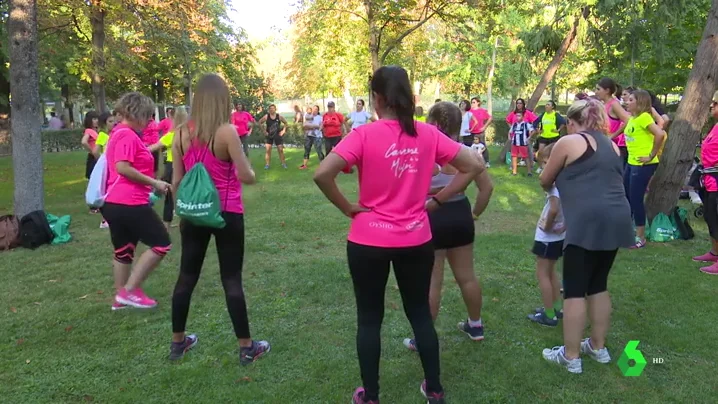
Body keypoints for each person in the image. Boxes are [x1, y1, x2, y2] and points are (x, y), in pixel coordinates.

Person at [313, 65, 481, 404]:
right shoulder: (427, 134)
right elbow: (474, 165)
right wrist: (437, 200)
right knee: (419, 312)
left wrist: (348, 208)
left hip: (367, 239)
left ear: (376, 99)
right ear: (409, 98)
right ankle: (434, 388)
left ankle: (371, 395)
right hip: (415, 239)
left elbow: (322, 174)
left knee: (369, 318)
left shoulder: (363, 135)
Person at [169, 73, 269, 364]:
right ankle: (246, 346)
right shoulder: (227, 132)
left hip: (194, 213)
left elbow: (176, 180)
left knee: (186, 277)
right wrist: (250, 171)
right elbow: (246, 175)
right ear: (222, 100)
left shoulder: (179, 133)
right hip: (226, 212)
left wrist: (182, 212)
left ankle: (178, 343)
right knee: (231, 279)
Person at [538, 99, 634, 374]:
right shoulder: (612, 145)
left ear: (571, 121)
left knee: (575, 288)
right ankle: (597, 346)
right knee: (599, 284)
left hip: (587, 219)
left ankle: (570, 356)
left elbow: (545, 179)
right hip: (618, 216)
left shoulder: (568, 142)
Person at [402, 101, 492, 353]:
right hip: (460, 214)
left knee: (432, 282)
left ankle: (423, 339)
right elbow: (487, 188)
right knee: (467, 276)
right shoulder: (468, 153)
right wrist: (475, 213)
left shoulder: (422, 151)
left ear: (432, 123)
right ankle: (475, 325)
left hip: (431, 217)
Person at [102, 92, 172, 310]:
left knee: (123, 250)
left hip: (115, 203)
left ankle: (120, 300)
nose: (149, 120)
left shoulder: (118, 133)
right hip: (128, 202)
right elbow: (123, 167)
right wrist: (154, 182)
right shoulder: (127, 135)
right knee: (161, 243)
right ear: (136, 112)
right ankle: (129, 291)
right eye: (147, 115)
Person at [528, 143, 565, 327]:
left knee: (542, 274)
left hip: (548, 237)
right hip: (559, 237)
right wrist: (565, 225)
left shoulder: (552, 185)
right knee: (552, 272)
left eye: (544, 162)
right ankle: (556, 308)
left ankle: (549, 315)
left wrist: (548, 226)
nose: (542, 166)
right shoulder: (568, 181)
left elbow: (553, 209)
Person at [623, 90, 666, 248]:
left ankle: (640, 237)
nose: (626, 102)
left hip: (643, 164)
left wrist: (651, 155)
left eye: (630, 100)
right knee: (627, 196)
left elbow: (659, 134)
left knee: (635, 199)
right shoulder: (633, 118)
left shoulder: (645, 118)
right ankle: (627, 232)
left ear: (639, 102)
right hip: (631, 162)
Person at [150, 106, 188, 230]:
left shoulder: (172, 135)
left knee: (170, 196)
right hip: (187, 167)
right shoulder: (190, 135)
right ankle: (184, 221)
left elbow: (153, 147)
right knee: (184, 194)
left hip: (173, 167)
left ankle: (167, 224)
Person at [693, 90, 718, 275]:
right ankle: (714, 252)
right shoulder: (715, 126)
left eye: (715, 104)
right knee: (710, 217)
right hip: (709, 181)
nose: (711, 106)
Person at [596, 79, 630, 169]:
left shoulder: (614, 104)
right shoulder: (603, 104)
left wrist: (613, 135)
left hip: (615, 147)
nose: (596, 92)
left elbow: (628, 120)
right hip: (605, 144)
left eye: (598, 89)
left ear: (607, 91)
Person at [95, 111, 116, 229]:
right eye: (110, 121)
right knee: (106, 192)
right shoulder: (103, 136)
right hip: (107, 168)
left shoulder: (116, 134)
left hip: (114, 167)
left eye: (114, 121)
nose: (113, 123)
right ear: (104, 123)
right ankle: (104, 220)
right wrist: (102, 162)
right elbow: (95, 151)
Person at [258, 104, 288, 169]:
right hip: (269, 135)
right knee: (268, 150)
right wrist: (264, 131)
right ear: (269, 110)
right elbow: (259, 122)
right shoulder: (266, 116)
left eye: (273, 108)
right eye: (270, 108)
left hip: (277, 135)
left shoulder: (279, 116)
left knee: (280, 150)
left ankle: (283, 164)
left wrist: (283, 131)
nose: (272, 109)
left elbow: (286, 123)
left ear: (275, 109)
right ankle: (267, 165)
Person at [509, 111, 534, 176]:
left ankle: (529, 172)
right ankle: (514, 172)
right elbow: (510, 132)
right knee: (514, 157)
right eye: (516, 116)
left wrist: (529, 138)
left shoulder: (526, 124)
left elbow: (532, 130)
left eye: (519, 116)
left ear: (523, 117)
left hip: (523, 143)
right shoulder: (514, 124)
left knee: (525, 157)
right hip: (514, 143)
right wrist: (510, 138)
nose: (517, 117)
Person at [300, 105, 324, 169]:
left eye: (316, 109)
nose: (314, 110)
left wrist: (317, 127)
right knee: (307, 149)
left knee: (319, 150)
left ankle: (322, 164)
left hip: (317, 136)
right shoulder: (308, 116)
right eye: (313, 109)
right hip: (309, 136)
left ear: (318, 111)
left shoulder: (320, 117)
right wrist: (315, 126)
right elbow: (304, 126)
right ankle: (304, 165)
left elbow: (321, 126)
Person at [469, 97, 492, 165]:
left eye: (474, 102)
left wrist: (484, 127)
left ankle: (486, 161)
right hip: (471, 132)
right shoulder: (469, 111)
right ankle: (472, 161)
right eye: (472, 102)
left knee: (482, 146)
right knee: (471, 147)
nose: (472, 104)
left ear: (478, 103)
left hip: (480, 132)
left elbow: (490, 118)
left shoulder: (482, 111)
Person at [81, 111, 100, 181]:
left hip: (98, 156)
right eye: (94, 119)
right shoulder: (88, 130)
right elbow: (84, 142)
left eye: (97, 118)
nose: (97, 120)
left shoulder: (96, 131)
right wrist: (92, 152)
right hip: (93, 158)